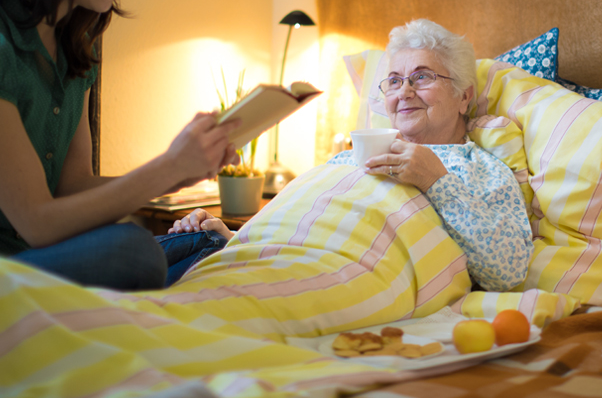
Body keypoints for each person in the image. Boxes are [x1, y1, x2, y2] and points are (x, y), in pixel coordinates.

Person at [0, 0, 240, 290]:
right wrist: (165, 169)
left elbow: (73, 186)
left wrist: (183, 171)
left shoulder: (73, 46)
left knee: (206, 241)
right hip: (12, 261)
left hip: (43, 256)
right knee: (131, 250)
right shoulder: (4, 49)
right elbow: (36, 221)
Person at [184, 19, 534, 292]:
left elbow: (509, 271)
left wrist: (435, 180)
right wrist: (230, 238)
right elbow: (305, 221)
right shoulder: (350, 155)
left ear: (463, 97)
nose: (405, 92)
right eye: (394, 81)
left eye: (422, 77)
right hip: (240, 257)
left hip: (321, 277)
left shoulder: (482, 170)